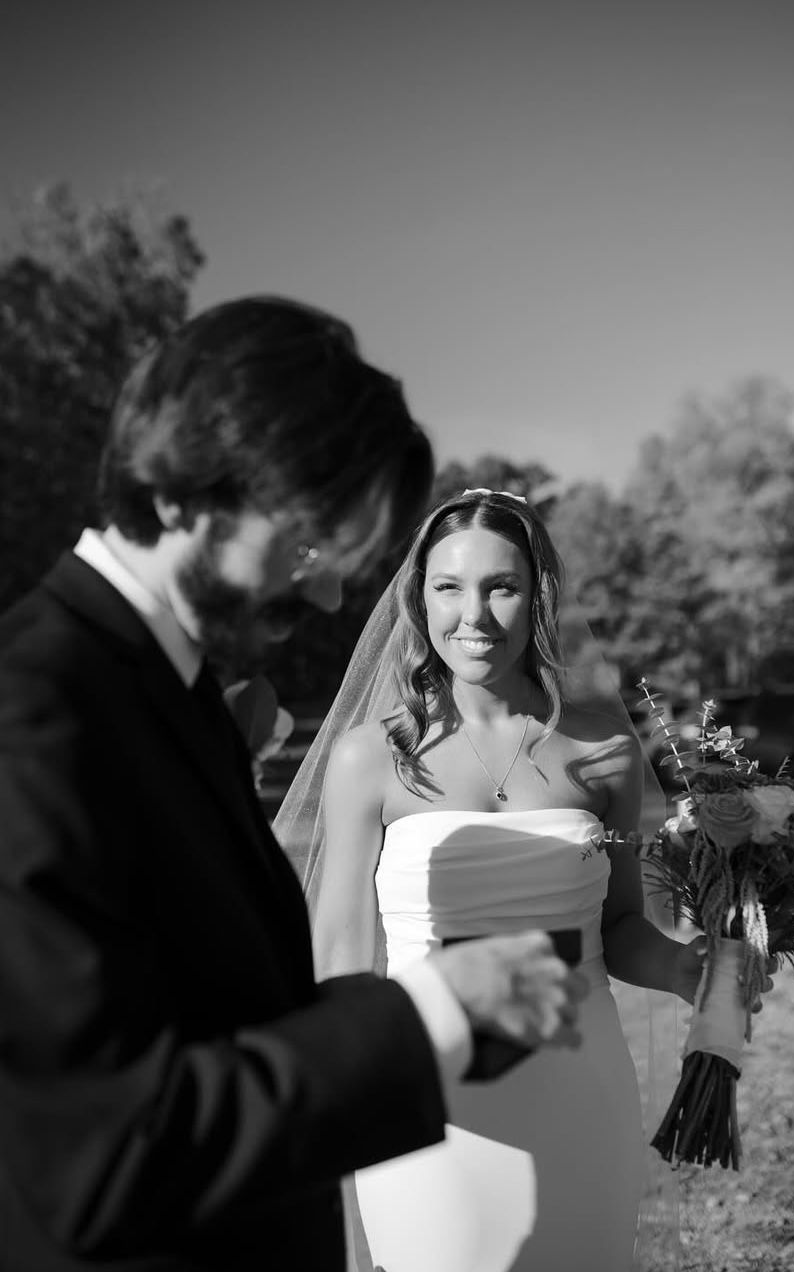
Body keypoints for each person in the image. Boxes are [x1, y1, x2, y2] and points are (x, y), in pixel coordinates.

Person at [0, 301, 588, 1272]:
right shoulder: (37, 716)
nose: (323, 597)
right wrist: (433, 1009)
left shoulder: (172, 695)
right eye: (306, 545)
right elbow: (97, 1156)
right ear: (187, 489)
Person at [275, 487, 710, 1272]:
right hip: (426, 1101)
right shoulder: (369, 757)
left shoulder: (604, 753)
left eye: (500, 587)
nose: (472, 615)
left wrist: (688, 968)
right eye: (449, 587)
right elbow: (338, 956)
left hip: (580, 1090)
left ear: (538, 593)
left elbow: (619, 928)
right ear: (420, 598)